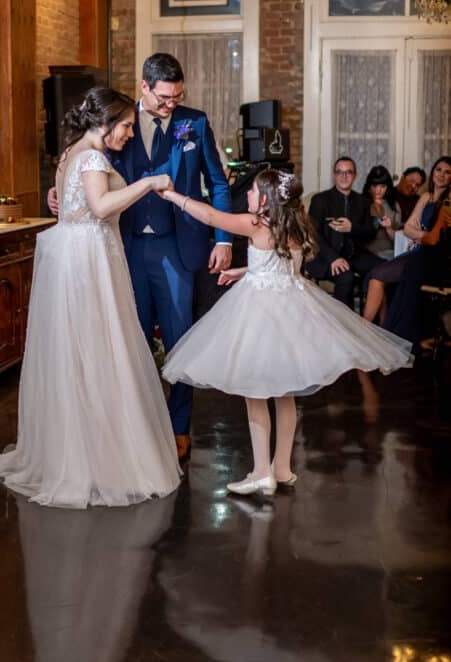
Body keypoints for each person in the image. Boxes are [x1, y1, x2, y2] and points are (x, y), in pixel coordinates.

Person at [158, 169, 412, 497]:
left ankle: (261, 472)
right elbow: (280, 264)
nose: (247, 197)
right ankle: (282, 467)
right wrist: (244, 270)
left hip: (260, 311)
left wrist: (173, 196)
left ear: (265, 199)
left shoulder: (257, 223)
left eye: (251, 192)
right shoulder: (294, 224)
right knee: (284, 393)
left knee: (255, 392)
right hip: (291, 308)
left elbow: (209, 215)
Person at [0, 87, 182, 508]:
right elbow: (98, 206)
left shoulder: (71, 152)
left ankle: (76, 448)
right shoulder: (93, 156)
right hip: (88, 261)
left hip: (74, 257)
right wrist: (149, 182)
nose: (130, 134)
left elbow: (70, 201)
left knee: (77, 353)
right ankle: (98, 458)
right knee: (98, 350)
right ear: (106, 120)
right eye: (127, 126)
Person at [48, 53, 232, 461]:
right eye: (164, 97)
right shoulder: (118, 120)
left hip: (177, 249)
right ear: (144, 87)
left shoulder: (194, 123)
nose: (171, 105)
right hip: (123, 245)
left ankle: (179, 426)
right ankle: (137, 428)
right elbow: (88, 164)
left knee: (180, 340)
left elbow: (217, 182)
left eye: (177, 97)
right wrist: (60, 190)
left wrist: (224, 239)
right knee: (127, 340)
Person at [363, 156, 451, 341]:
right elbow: (409, 228)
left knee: (379, 275)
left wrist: (421, 236)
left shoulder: (448, 200)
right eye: (438, 170)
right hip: (418, 251)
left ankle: (377, 335)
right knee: (376, 275)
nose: (442, 175)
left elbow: (434, 239)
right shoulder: (426, 197)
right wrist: (421, 236)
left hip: (436, 258)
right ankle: (373, 332)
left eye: (447, 172)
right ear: (433, 171)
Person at [305, 156, 380, 309]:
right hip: (325, 256)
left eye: (348, 172)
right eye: (340, 172)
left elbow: (370, 232)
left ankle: (375, 324)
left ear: (355, 175)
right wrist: (333, 258)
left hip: (354, 255)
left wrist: (352, 228)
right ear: (334, 175)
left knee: (385, 269)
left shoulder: (363, 201)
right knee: (347, 278)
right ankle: (343, 326)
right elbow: (313, 233)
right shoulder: (320, 199)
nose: (344, 176)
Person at [362, 165, 402, 260]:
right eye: (374, 186)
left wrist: (389, 228)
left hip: (389, 253)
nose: (378, 190)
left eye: (383, 186)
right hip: (366, 254)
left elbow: (399, 242)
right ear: (369, 186)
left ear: (388, 187)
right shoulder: (361, 203)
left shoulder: (394, 205)